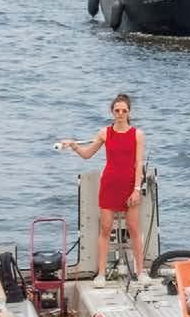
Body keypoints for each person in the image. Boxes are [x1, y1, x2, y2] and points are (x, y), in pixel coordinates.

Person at [58, 93, 147, 285]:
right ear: (112, 112)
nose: (120, 114)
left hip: (130, 185)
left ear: (129, 112)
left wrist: (137, 189)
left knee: (133, 228)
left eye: (124, 110)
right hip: (109, 185)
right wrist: (73, 145)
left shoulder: (137, 135)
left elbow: (139, 163)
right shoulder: (104, 133)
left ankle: (141, 272)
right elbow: (87, 154)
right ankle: (101, 274)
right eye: (117, 110)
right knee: (105, 228)